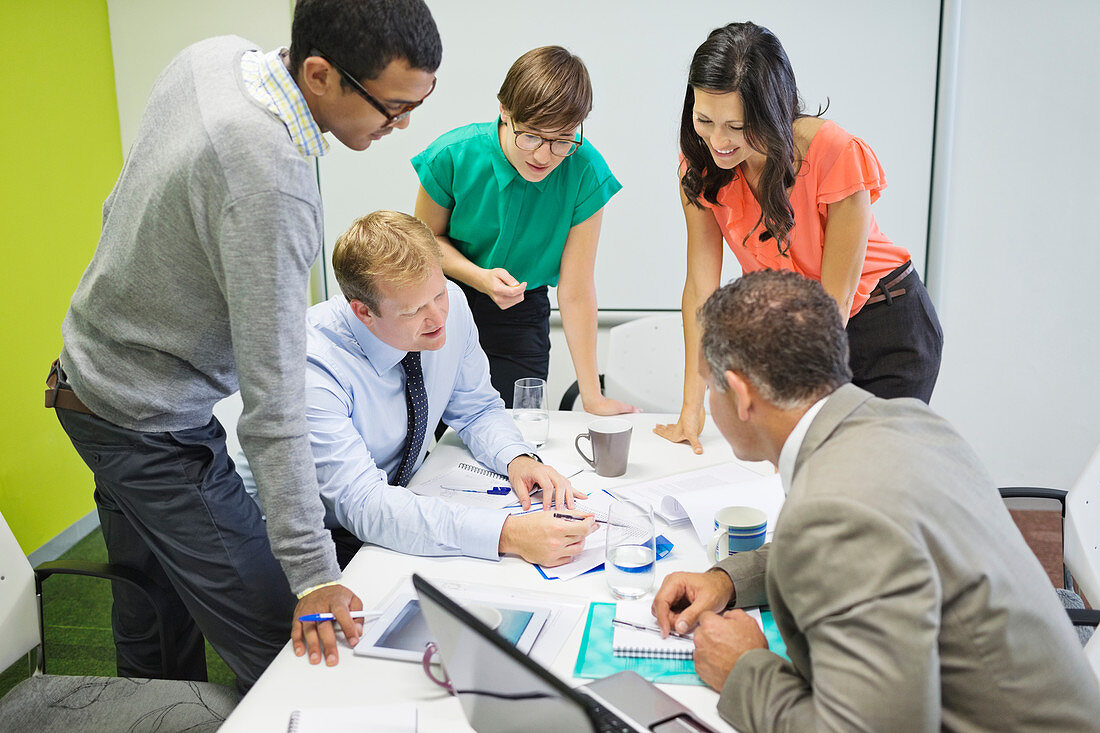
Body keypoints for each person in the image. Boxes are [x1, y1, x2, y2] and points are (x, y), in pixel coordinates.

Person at [45, 0, 440, 687]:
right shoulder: (271, 182)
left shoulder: (214, 58)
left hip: (88, 379)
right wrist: (315, 573)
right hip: (147, 419)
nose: (401, 126)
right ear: (320, 73)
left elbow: (122, 208)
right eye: (390, 108)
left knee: (154, 612)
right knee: (291, 650)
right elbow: (274, 401)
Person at [650, 270, 1100, 731]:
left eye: (709, 385)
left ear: (742, 395)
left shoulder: (836, 511)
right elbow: (868, 544)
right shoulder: (906, 420)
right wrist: (728, 579)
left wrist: (745, 669)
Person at [235, 211, 595, 569]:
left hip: (391, 510)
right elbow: (364, 504)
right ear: (363, 312)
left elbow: (476, 408)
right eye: (413, 311)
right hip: (298, 545)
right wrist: (509, 534)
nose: (438, 319)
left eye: (438, 295)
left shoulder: (449, 302)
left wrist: (516, 458)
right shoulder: (310, 366)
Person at [656, 22, 943, 454]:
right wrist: (690, 409)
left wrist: (794, 396)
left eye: (736, 125)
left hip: (885, 326)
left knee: (861, 469)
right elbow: (700, 289)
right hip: (807, 328)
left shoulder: (833, 152)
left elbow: (836, 301)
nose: (718, 140)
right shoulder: (700, 166)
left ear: (771, 111)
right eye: (704, 119)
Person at [412, 46, 636, 414]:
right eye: (530, 136)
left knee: (516, 430)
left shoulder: (585, 171)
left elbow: (576, 290)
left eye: (562, 139)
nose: (544, 156)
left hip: (522, 313)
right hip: (445, 302)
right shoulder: (452, 156)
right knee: (434, 435)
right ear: (504, 112)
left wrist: (592, 396)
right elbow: (425, 243)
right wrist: (480, 277)